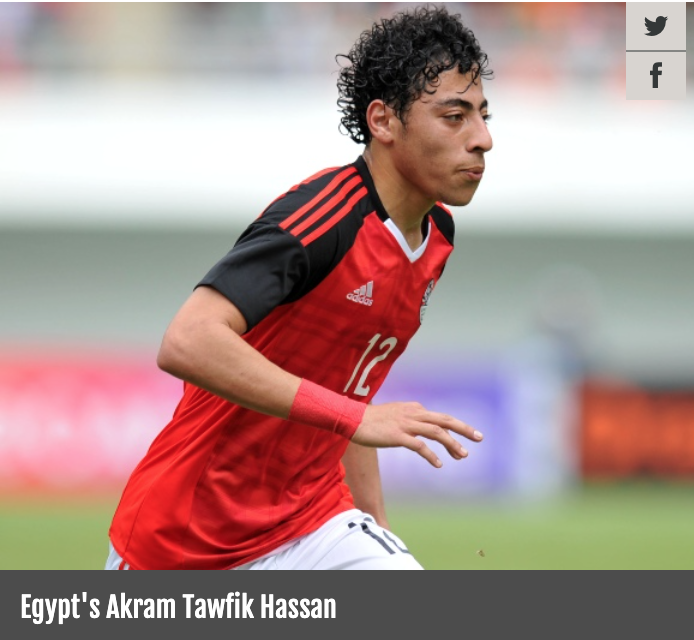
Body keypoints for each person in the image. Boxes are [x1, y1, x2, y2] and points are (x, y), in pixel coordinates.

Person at [106, 5, 493, 571]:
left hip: (312, 522)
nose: (483, 139)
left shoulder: (435, 236)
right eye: (454, 116)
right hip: (183, 541)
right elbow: (187, 340)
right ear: (384, 122)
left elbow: (350, 384)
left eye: (483, 115)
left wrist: (375, 522)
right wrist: (357, 418)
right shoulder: (322, 218)